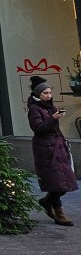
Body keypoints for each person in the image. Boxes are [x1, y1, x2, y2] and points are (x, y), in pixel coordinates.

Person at [28, 80, 77, 226]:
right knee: (56, 183)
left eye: (50, 92)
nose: (48, 95)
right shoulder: (34, 109)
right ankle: (59, 214)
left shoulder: (51, 107)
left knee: (67, 181)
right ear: (38, 94)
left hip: (58, 147)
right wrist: (53, 118)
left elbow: (54, 128)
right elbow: (39, 129)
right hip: (45, 149)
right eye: (45, 93)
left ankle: (46, 201)